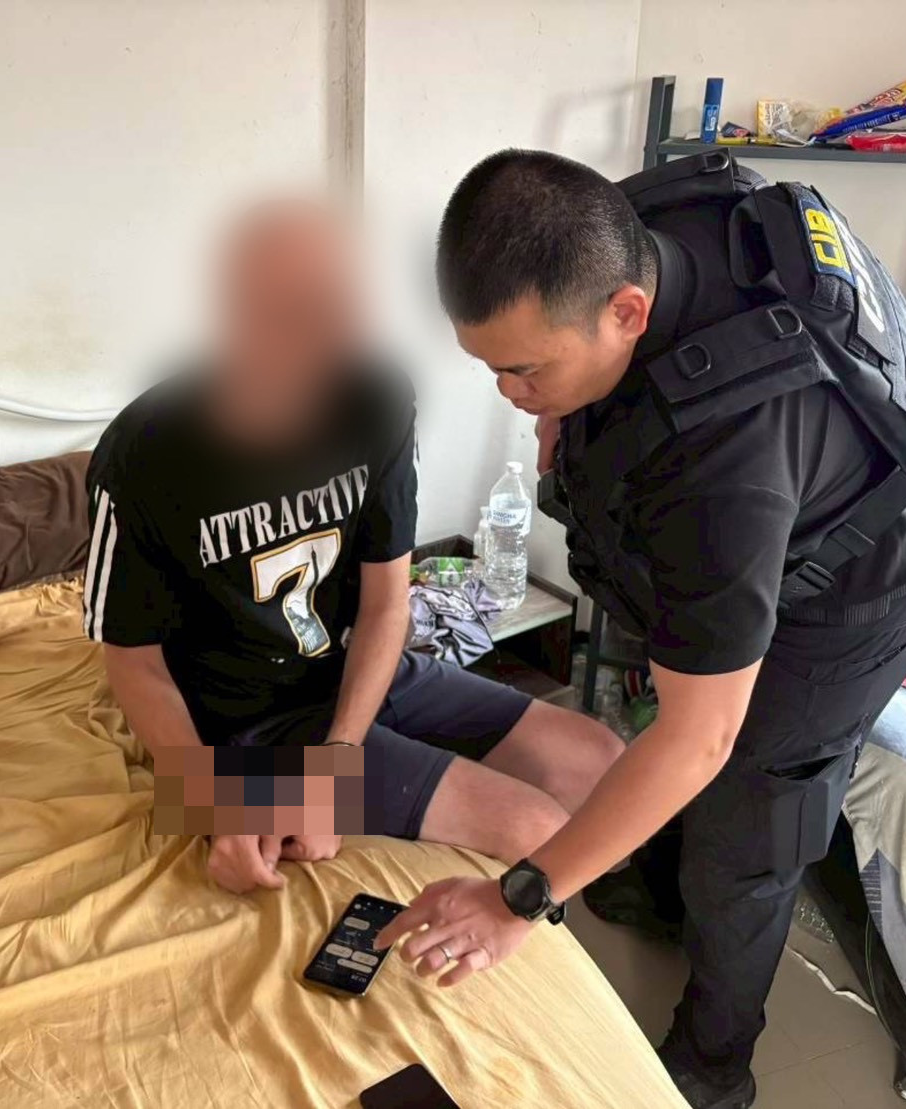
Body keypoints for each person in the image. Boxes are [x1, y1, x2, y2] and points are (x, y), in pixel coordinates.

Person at [375, 150, 906, 1109]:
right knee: (666, 761)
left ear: (626, 312)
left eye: (523, 370)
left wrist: (519, 899)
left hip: (840, 610)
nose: (508, 394)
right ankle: (652, 887)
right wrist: (558, 409)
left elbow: (700, 738)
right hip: (764, 537)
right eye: (491, 367)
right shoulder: (641, 219)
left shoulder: (722, 475)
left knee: (744, 839)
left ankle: (714, 1062)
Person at [84, 200, 623, 898]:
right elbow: (132, 662)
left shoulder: (374, 399)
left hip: (356, 672)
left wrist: (339, 761)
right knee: (537, 830)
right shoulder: (145, 455)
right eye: (298, 311)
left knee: (599, 759)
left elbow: (385, 602)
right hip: (238, 723)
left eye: (343, 305)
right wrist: (212, 804)